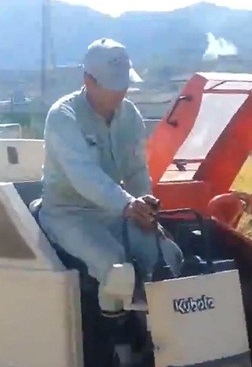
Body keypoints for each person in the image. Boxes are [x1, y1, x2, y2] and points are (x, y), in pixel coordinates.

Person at [38, 38, 183, 310]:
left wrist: (145, 208)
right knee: (117, 267)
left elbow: (136, 169)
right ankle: (114, 342)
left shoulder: (130, 115)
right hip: (68, 214)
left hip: (115, 212)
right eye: (112, 85)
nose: (121, 91)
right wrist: (128, 205)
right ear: (88, 80)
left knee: (168, 255)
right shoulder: (63, 116)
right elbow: (83, 176)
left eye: (124, 82)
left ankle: (164, 331)